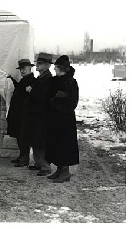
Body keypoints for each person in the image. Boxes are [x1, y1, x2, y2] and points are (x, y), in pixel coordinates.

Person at [45, 55, 79, 183]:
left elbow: (73, 102)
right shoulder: (56, 81)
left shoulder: (71, 82)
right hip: (56, 119)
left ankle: (65, 172)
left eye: (56, 68)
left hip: (65, 120)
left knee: (65, 145)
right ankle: (59, 169)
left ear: (62, 69)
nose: (54, 70)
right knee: (57, 144)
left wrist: (56, 103)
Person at [25, 52, 53, 176]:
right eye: (37, 63)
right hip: (36, 114)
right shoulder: (41, 77)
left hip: (41, 115)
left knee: (40, 141)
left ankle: (45, 166)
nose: (37, 65)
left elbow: (42, 97)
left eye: (40, 63)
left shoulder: (47, 79)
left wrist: (31, 91)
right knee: (35, 140)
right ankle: (38, 163)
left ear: (47, 65)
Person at [6, 59, 35, 167]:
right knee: (19, 135)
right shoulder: (25, 79)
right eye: (21, 69)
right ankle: (22, 155)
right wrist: (12, 80)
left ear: (30, 68)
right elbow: (20, 88)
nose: (22, 71)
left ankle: (25, 158)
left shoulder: (32, 80)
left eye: (24, 69)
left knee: (24, 137)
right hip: (19, 113)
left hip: (24, 113)